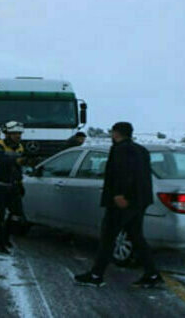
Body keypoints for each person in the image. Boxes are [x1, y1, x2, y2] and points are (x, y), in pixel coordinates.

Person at [74, 122, 161, 288]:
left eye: (112, 132)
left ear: (116, 133)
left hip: (123, 202)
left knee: (108, 237)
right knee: (136, 237)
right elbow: (142, 176)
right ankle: (152, 274)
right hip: (140, 201)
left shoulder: (120, 149)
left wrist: (119, 194)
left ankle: (96, 275)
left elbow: (123, 173)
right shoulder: (141, 150)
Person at [0, 120, 27, 254]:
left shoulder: (20, 147)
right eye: (14, 134)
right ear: (7, 134)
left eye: (19, 134)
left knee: (16, 214)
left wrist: (20, 182)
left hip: (12, 185)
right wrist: (19, 159)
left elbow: (18, 167)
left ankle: (5, 237)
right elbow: (2, 160)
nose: (17, 136)